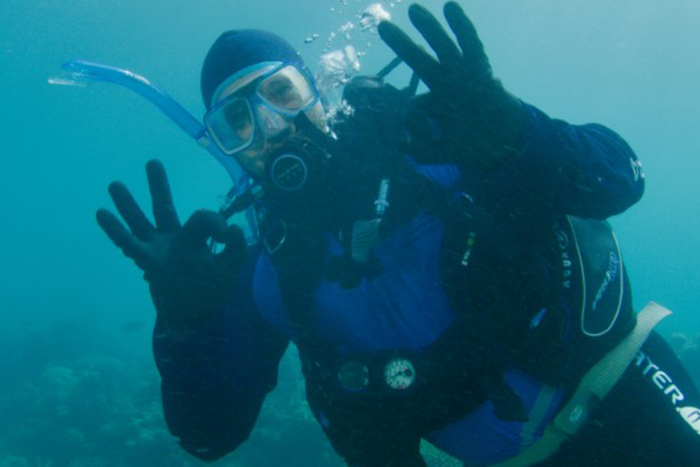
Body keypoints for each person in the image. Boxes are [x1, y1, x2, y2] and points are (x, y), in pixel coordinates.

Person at [96, 2, 700, 466]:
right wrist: (183, 325)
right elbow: (208, 435)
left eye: (281, 93)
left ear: (318, 94)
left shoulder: (439, 144)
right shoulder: (272, 278)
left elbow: (619, 180)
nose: (270, 126)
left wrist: (519, 132)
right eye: (238, 120)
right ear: (230, 149)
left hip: (627, 392)